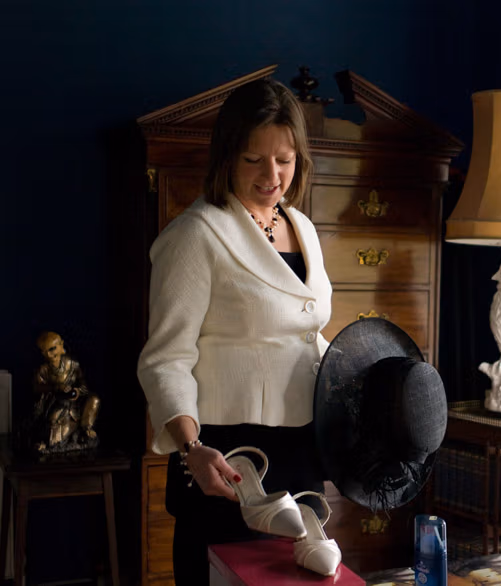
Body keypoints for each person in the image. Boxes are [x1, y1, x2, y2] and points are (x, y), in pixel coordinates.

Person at [137, 78, 333, 585]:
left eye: (285, 159)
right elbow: (166, 359)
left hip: (300, 455)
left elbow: (307, 332)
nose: (272, 175)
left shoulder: (304, 228)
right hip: (226, 461)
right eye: (254, 159)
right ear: (227, 156)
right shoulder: (195, 235)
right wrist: (191, 448)